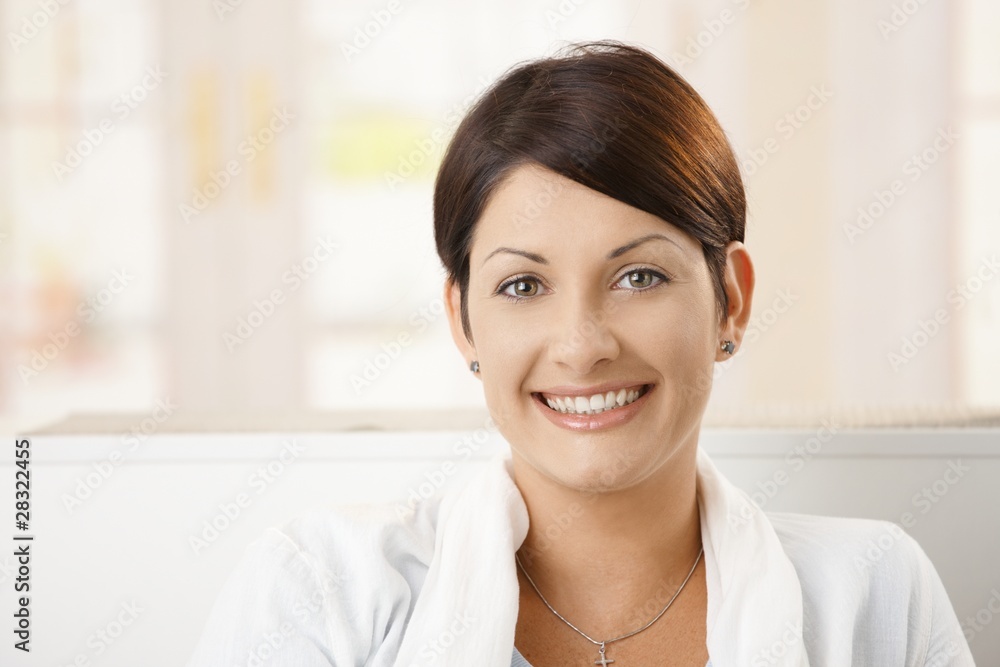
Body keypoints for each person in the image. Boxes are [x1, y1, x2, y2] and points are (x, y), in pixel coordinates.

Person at [186, 40, 975, 666]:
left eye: (638, 275)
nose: (582, 345)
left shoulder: (871, 592)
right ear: (463, 322)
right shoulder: (323, 591)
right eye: (524, 286)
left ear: (730, 297)